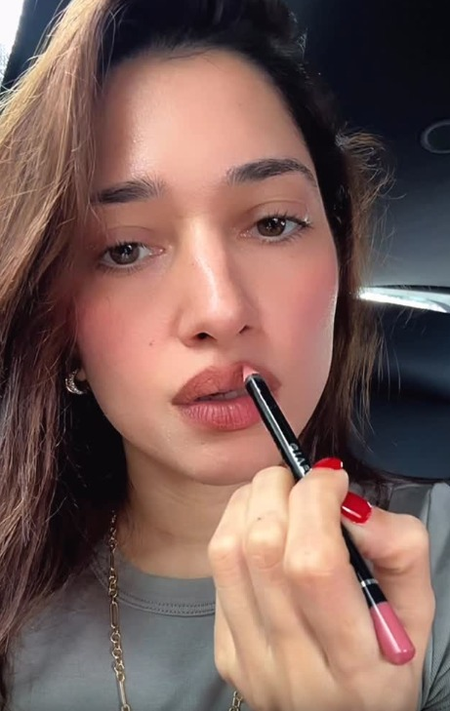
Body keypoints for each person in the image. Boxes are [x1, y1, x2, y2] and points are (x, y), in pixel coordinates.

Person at [0, 0, 448, 709]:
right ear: (61, 326)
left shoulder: (439, 555)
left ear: (338, 257)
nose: (220, 308)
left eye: (273, 223)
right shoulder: (13, 599)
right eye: (124, 249)